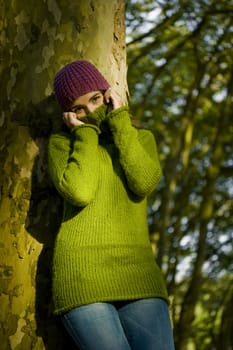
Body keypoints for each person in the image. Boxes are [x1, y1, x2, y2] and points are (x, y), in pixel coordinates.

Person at [48, 60, 175, 350]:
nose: (92, 111)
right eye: (79, 108)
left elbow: (143, 182)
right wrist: (84, 134)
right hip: (82, 275)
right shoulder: (61, 144)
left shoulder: (141, 138)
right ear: (69, 114)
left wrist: (119, 120)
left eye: (95, 99)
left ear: (108, 94)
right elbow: (80, 191)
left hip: (138, 274)